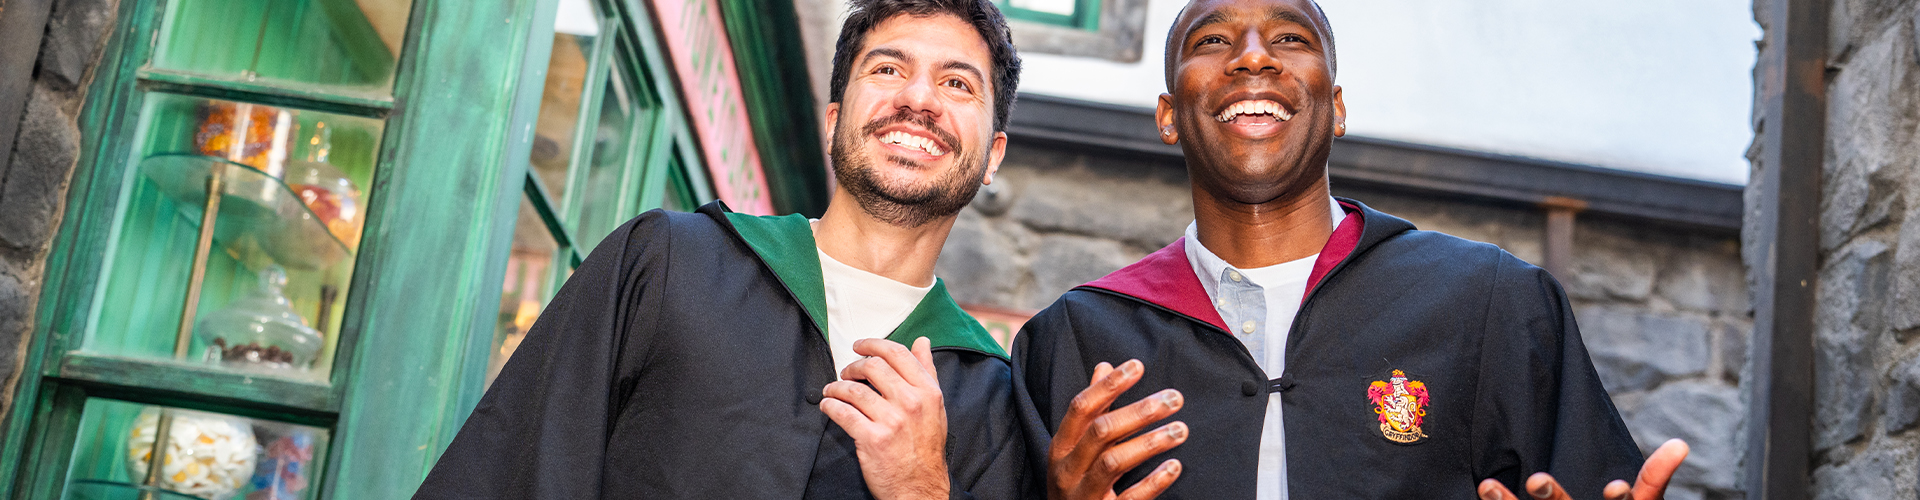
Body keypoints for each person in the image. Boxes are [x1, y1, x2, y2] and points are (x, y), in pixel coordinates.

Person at [1011, 0, 1689, 499]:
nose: (1253, 55)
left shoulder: (1489, 304)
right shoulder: (1076, 339)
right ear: (1167, 115)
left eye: (1291, 37)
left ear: (1335, 107)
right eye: (1213, 38)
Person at [412, 0, 1025, 496]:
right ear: (833, 121)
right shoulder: (667, 263)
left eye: (956, 83)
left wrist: (923, 491)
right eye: (887, 70)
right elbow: (510, 472)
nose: (918, 100)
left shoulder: (993, 402)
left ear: (993, 156)